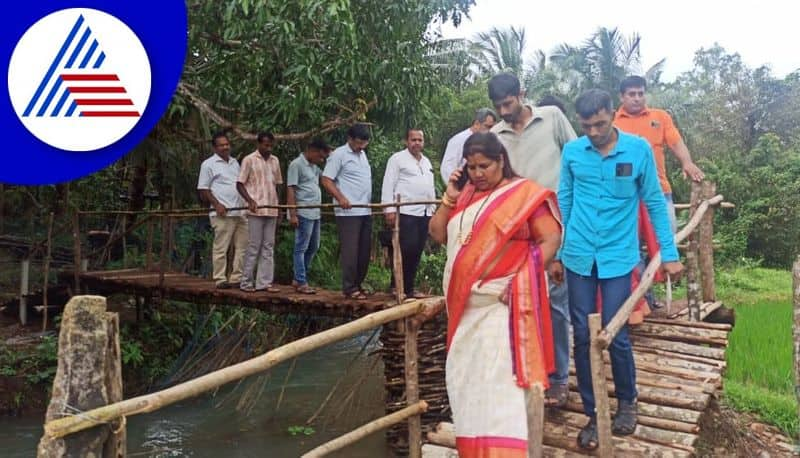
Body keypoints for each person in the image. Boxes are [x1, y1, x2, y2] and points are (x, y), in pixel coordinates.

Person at [557, 89, 683, 450]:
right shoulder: (573, 152)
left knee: (616, 332)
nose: (594, 132)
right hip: (579, 256)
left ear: (611, 114)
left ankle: (627, 401)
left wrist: (669, 253)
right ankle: (594, 412)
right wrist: (560, 248)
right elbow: (564, 198)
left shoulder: (638, 150)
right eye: (587, 126)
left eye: (599, 123)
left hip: (617, 257)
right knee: (582, 333)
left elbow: (655, 204)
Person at [429, 132, 561, 457]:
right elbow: (437, 234)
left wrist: (521, 278)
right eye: (471, 167)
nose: (478, 173)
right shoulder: (464, 196)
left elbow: (551, 239)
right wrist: (449, 196)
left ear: (501, 160)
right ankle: (474, 449)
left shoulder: (524, 194)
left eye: (484, 166)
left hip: (504, 306)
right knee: (465, 381)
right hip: (465, 312)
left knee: (500, 383)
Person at [488, 72, 577, 408]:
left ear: (521, 94)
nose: (504, 111)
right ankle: (526, 372)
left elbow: (575, 160)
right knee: (521, 301)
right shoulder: (497, 135)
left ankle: (558, 380)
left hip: (555, 225)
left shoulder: (552, 118)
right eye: (498, 107)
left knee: (555, 302)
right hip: (518, 231)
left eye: (508, 103)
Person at [614, 75, 705, 232]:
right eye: (632, 94)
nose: (637, 98)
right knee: (629, 242)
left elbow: (675, 142)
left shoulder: (660, 117)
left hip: (658, 189)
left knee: (667, 235)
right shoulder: (612, 121)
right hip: (624, 193)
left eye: (641, 93)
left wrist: (687, 162)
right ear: (622, 97)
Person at [381, 129, 436, 299]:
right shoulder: (397, 159)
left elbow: (430, 187)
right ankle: (397, 286)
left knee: (417, 250)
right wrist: (388, 209)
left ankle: (409, 288)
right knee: (406, 248)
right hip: (406, 211)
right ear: (407, 141)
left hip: (425, 212)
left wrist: (433, 210)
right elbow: (388, 184)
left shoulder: (426, 162)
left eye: (420, 140)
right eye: (413, 139)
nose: (417, 143)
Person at [322, 124, 373, 300]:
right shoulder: (339, 155)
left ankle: (358, 283)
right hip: (348, 212)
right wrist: (341, 198)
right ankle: (349, 287)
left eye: (364, 144)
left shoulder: (363, 154)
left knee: (364, 250)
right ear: (350, 139)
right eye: (358, 143)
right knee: (351, 250)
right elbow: (326, 180)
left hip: (365, 209)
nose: (361, 147)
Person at [197, 131, 248, 289]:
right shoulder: (208, 164)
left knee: (243, 246)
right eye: (221, 145)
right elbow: (203, 189)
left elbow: (239, 185)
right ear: (215, 147)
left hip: (240, 210)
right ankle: (220, 278)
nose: (225, 147)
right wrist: (217, 204)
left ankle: (236, 277)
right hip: (222, 212)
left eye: (227, 144)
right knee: (221, 246)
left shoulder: (234, 163)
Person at [236, 132, 282, 293]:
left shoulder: (275, 161)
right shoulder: (249, 160)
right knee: (254, 245)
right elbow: (240, 184)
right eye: (265, 145)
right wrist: (249, 200)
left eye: (271, 145)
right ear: (259, 144)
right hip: (255, 210)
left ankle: (264, 282)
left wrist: (279, 208)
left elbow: (277, 184)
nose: (268, 148)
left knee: (268, 246)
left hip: (271, 208)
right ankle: (246, 282)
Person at [286, 138, 331, 294]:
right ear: (311, 151)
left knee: (313, 246)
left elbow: (326, 176)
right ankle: (302, 281)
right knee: (301, 247)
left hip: (315, 212)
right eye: (320, 156)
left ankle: (298, 278)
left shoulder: (314, 167)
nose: (321, 160)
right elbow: (291, 189)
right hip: (303, 212)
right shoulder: (296, 165)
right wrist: (293, 214)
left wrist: (329, 155)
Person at [440, 108, 497, 182]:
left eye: (493, 127)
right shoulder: (459, 139)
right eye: (488, 126)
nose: (491, 131)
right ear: (476, 124)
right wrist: (455, 188)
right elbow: (447, 168)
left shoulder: (486, 142)